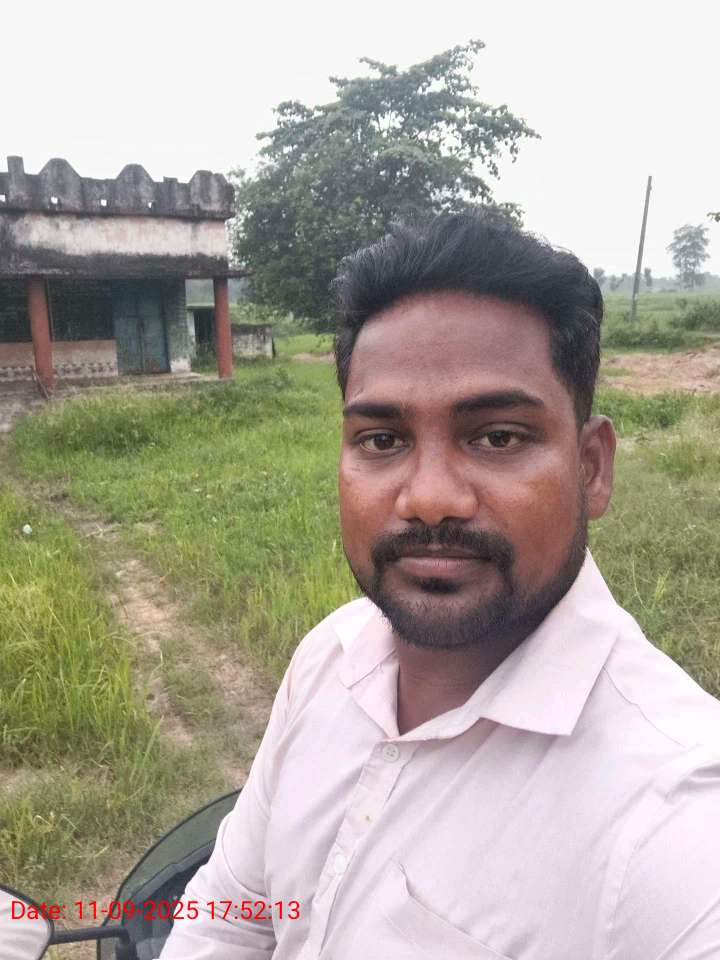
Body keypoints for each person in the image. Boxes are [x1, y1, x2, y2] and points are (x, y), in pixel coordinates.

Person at [159, 212, 720, 960]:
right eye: (382, 440)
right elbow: (234, 915)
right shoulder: (329, 657)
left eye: (498, 437)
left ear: (591, 469)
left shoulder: (674, 814)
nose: (429, 498)